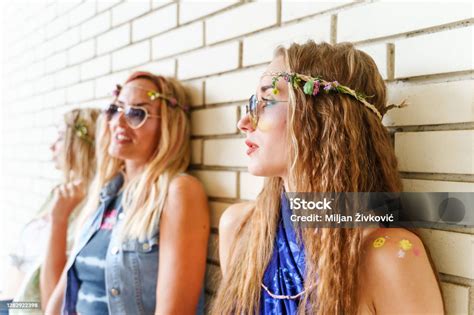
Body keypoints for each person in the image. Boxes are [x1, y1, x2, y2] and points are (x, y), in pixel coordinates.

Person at [213, 41, 444, 314]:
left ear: (323, 116)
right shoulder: (241, 229)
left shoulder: (391, 256)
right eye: (254, 103)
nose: (244, 122)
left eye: (268, 101)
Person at [45, 71, 210, 315]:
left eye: (136, 113)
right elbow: (60, 298)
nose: (118, 123)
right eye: (115, 109)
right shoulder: (105, 194)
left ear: (168, 125)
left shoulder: (179, 192)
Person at [0, 108, 100, 314]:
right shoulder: (60, 192)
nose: (52, 146)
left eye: (61, 137)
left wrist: (59, 218)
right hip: (10, 303)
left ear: (81, 145)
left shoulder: (91, 205)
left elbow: (56, 298)